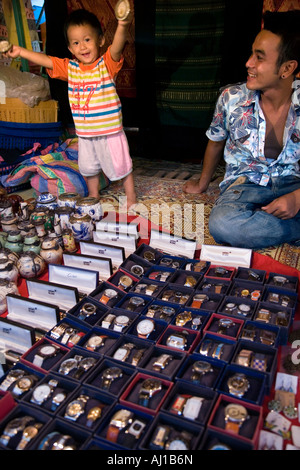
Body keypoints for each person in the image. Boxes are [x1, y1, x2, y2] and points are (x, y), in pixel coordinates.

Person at [183, 10, 300, 249]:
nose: (248, 63)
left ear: (287, 69)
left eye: (259, 57)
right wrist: (202, 183)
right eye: (251, 54)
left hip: (294, 182)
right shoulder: (231, 98)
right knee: (222, 225)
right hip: (247, 183)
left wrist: (297, 198)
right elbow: (215, 141)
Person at [4, 7, 137, 209]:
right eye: (76, 43)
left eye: (87, 40)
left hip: (109, 132)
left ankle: (131, 195)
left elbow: (117, 47)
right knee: (88, 167)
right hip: (85, 134)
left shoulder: (106, 65)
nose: (82, 47)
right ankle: (93, 194)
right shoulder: (71, 68)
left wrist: (123, 24)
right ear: (70, 48)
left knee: (121, 166)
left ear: (100, 40)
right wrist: (20, 51)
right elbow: (47, 60)